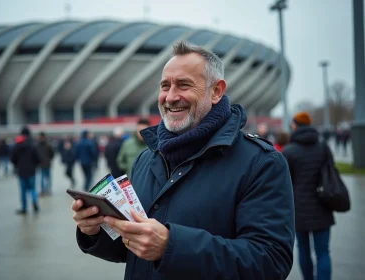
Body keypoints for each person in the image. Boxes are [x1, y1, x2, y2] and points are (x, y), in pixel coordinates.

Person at [72, 41, 295, 279]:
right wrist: (95, 231)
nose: (170, 97)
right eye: (165, 86)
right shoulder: (146, 160)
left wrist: (171, 247)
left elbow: (271, 262)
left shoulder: (261, 163)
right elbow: (134, 247)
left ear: (216, 91)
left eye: (184, 85)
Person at [283, 112, 334, 280]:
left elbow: (284, 183)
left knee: (303, 250)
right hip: (323, 205)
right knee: (323, 252)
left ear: (295, 125)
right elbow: (331, 173)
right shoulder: (322, 146)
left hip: (299, 209)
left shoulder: (289, 151)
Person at [10, 127, 41, 215]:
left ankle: (24, 208)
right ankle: (34, 201)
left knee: (23, 190)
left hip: (21, 171)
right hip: (31, 170)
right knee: (33, 188)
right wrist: (35, 165)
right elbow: (37, 158)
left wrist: (17, 165)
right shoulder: (32, 144)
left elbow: (12, 158)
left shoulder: (17, 145)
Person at [37, 132, 55, 196]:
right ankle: (48, 190)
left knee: (43, 178)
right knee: (47, 177)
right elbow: (52, 154)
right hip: (47, 163)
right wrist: (49, 159)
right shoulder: (48, 144)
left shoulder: (38, 145)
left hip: (42, 164)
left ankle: (44, 191)